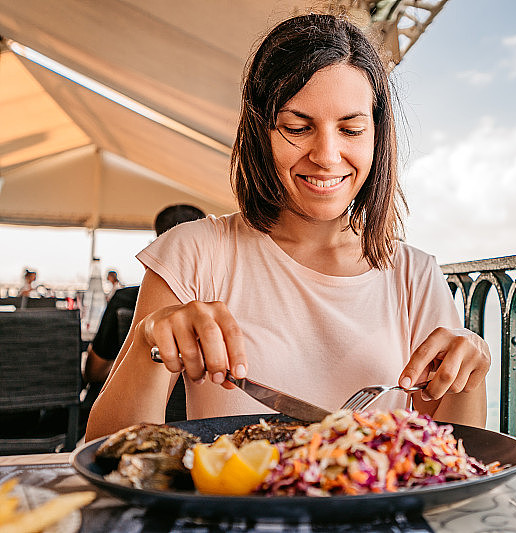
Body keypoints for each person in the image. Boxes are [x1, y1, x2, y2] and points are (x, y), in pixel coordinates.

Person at [86, 14, 490, 441]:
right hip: (234, 506)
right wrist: (153, 344)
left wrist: (472, 371)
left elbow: (454, 457)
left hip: (371, 507)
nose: (327, 155)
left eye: (351, 129)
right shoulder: (194, 252)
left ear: (377, 137)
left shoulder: (415, 275)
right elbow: (103, 447)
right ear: (261, 132)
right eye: (298, 127)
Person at [83, 204, 207, 385]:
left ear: (157, 246)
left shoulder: (126, 300)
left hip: (134, 406)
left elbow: (94, 374)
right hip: (209, 411)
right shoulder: (217, 305)